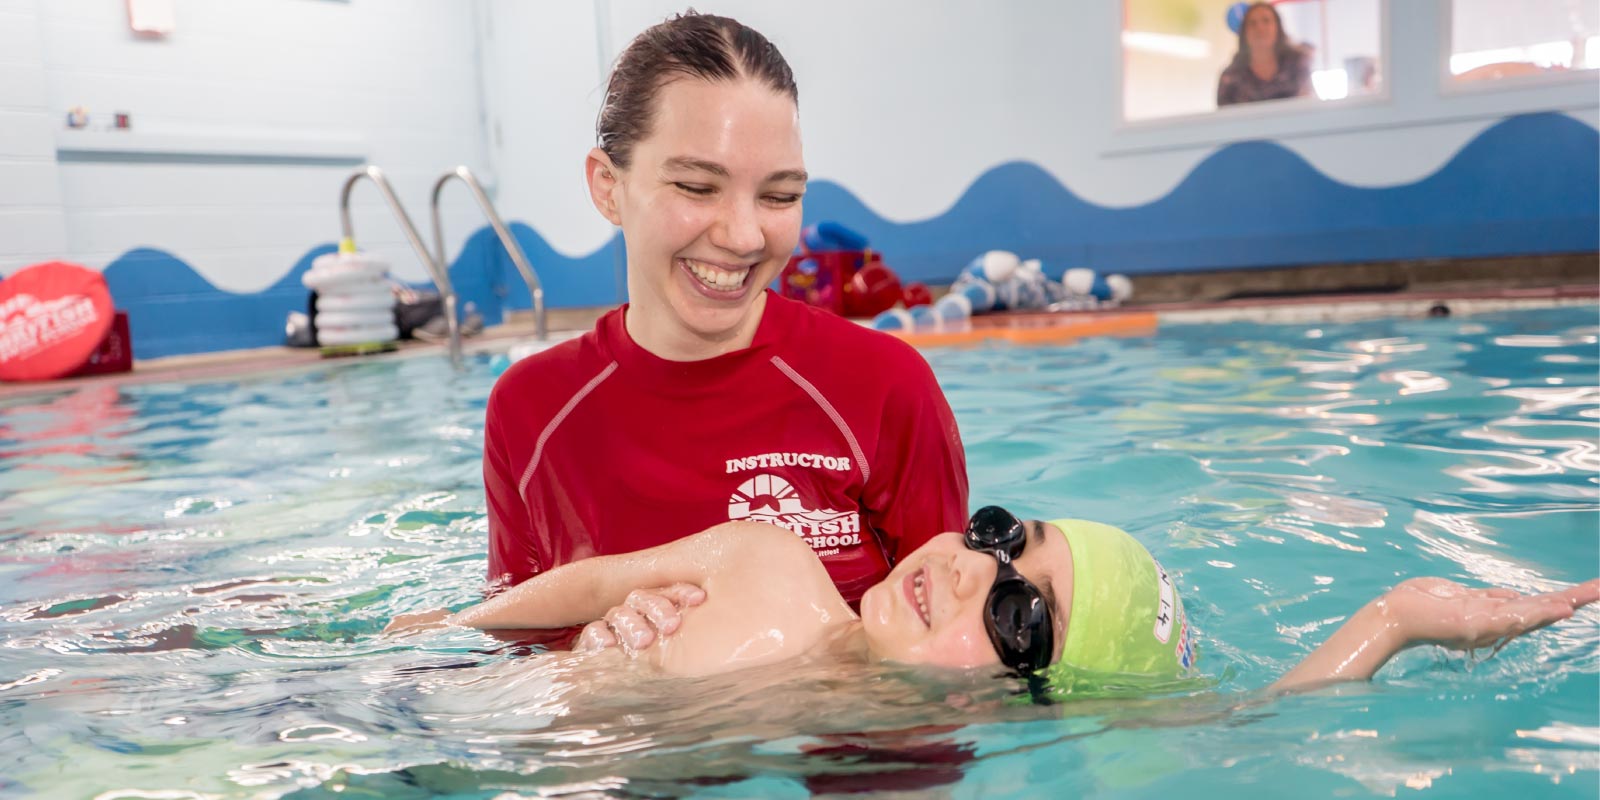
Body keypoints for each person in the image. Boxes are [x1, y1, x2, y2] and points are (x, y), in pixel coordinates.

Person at [482, 12, 967, 643]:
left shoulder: (883, 385)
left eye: (780, 196)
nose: (743, 236)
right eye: (697, 186)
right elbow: (513, 661)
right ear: (608, 187)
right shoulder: (531, 412)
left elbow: (954, 654)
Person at [389, 507, 1598, 699]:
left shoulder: (876, 738)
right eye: (1003, 536)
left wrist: (1393, 617)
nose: (975, 568)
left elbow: (1240, 722)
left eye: (1023, 616)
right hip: (407, 693)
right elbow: (599, 578)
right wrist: (440, 629)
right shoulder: (763, 553)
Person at [1217, 2, 1313, 107]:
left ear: (1278, 27)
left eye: (1266, 21)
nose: (1260, 27)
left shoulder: (1297, 64)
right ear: (1244, 33)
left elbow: (1308, 105)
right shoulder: (1231, 76)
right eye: (1252, 23)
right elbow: (1224, 117)